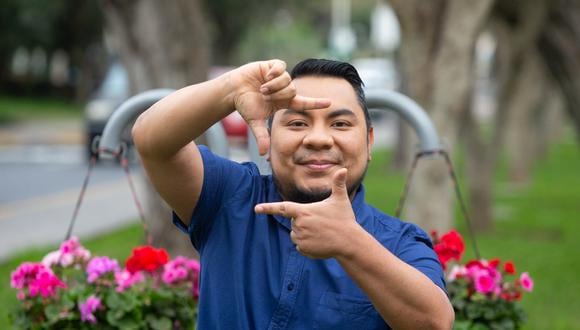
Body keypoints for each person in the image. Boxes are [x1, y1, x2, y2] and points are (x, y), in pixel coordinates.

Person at [132, 58, 454, 329]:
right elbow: (150, 140)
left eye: (340, 124)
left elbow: (435, 323)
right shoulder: (228, 197)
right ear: (268, 140)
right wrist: (231, 88)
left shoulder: (400, 243)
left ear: (369, 142)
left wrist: (350, 242)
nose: (318, 139)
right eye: (298, 123)